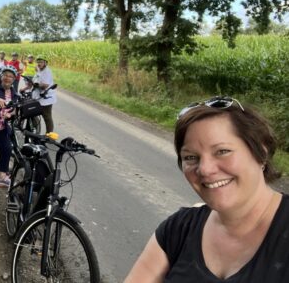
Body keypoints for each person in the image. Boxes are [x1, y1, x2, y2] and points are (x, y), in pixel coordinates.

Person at [123, 96, 288, 282]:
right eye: (191, 157)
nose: (205, 170)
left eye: (222, 151)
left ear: (261, 153)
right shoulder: (178, 229)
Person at [32, 55, 56, 133]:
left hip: (46, 98)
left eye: (41, 62)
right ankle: (35, 131)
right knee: (33, 113)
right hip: (38, 97)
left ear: (45, 63)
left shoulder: (47, 71)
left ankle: (49, 135)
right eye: (38, 62)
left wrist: (37, 85)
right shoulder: (39, 70)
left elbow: (45, 85)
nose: (39, 64)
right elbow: (36, 79)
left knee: (47, 116)